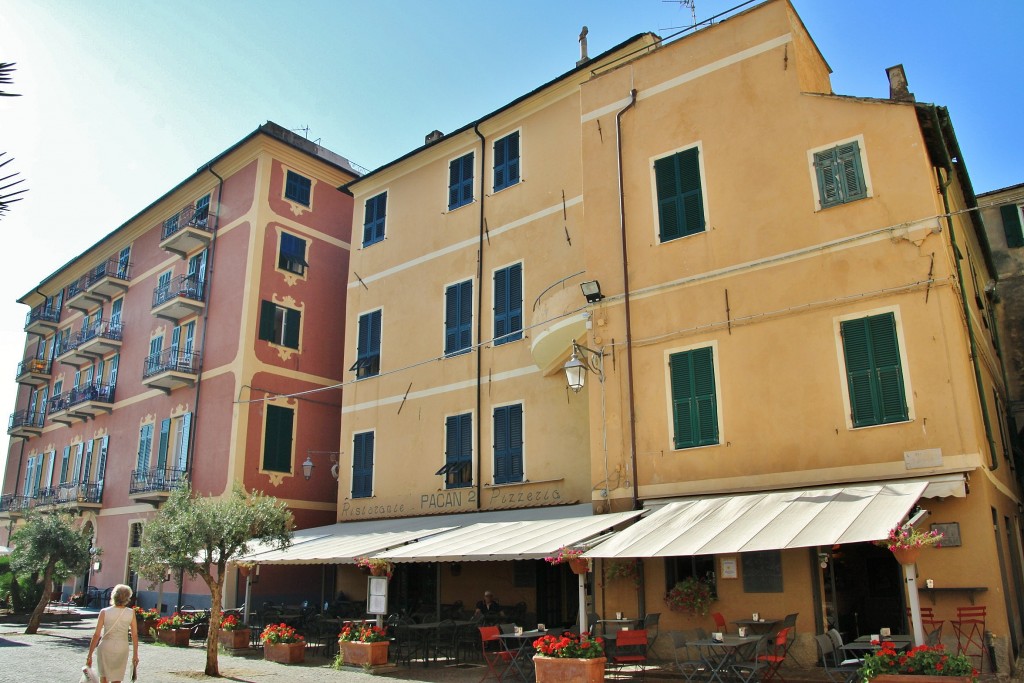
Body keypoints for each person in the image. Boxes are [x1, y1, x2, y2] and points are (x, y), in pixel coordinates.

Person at [86, 584, 140, 683]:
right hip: (122, 647)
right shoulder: (131, 613)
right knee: (117, 678)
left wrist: (89, 655)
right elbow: (135, 635)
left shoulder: (104, 612)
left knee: (104, 678)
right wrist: (135, 654)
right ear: (128, 597)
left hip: (106, 646)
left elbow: (96, 635)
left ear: (113, 595)